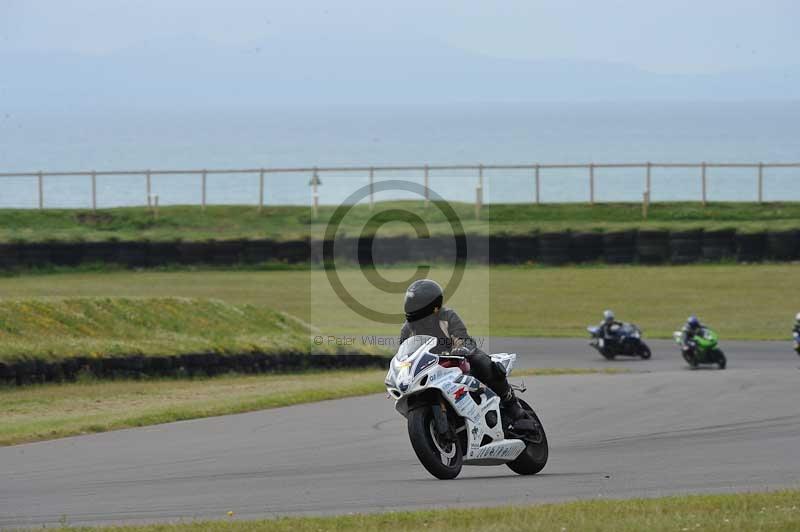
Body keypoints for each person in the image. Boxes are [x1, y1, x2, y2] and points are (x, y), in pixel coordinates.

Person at [399, 279, 529, 426]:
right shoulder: (408, 329)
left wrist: (460, 349)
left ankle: (512, 405)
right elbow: (405, 356)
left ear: (432, 306)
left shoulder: (447, 316)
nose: (411, 307)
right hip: (431, 369)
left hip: (456, 360)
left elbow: (462, 338)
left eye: (415, 304)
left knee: (478, 358)